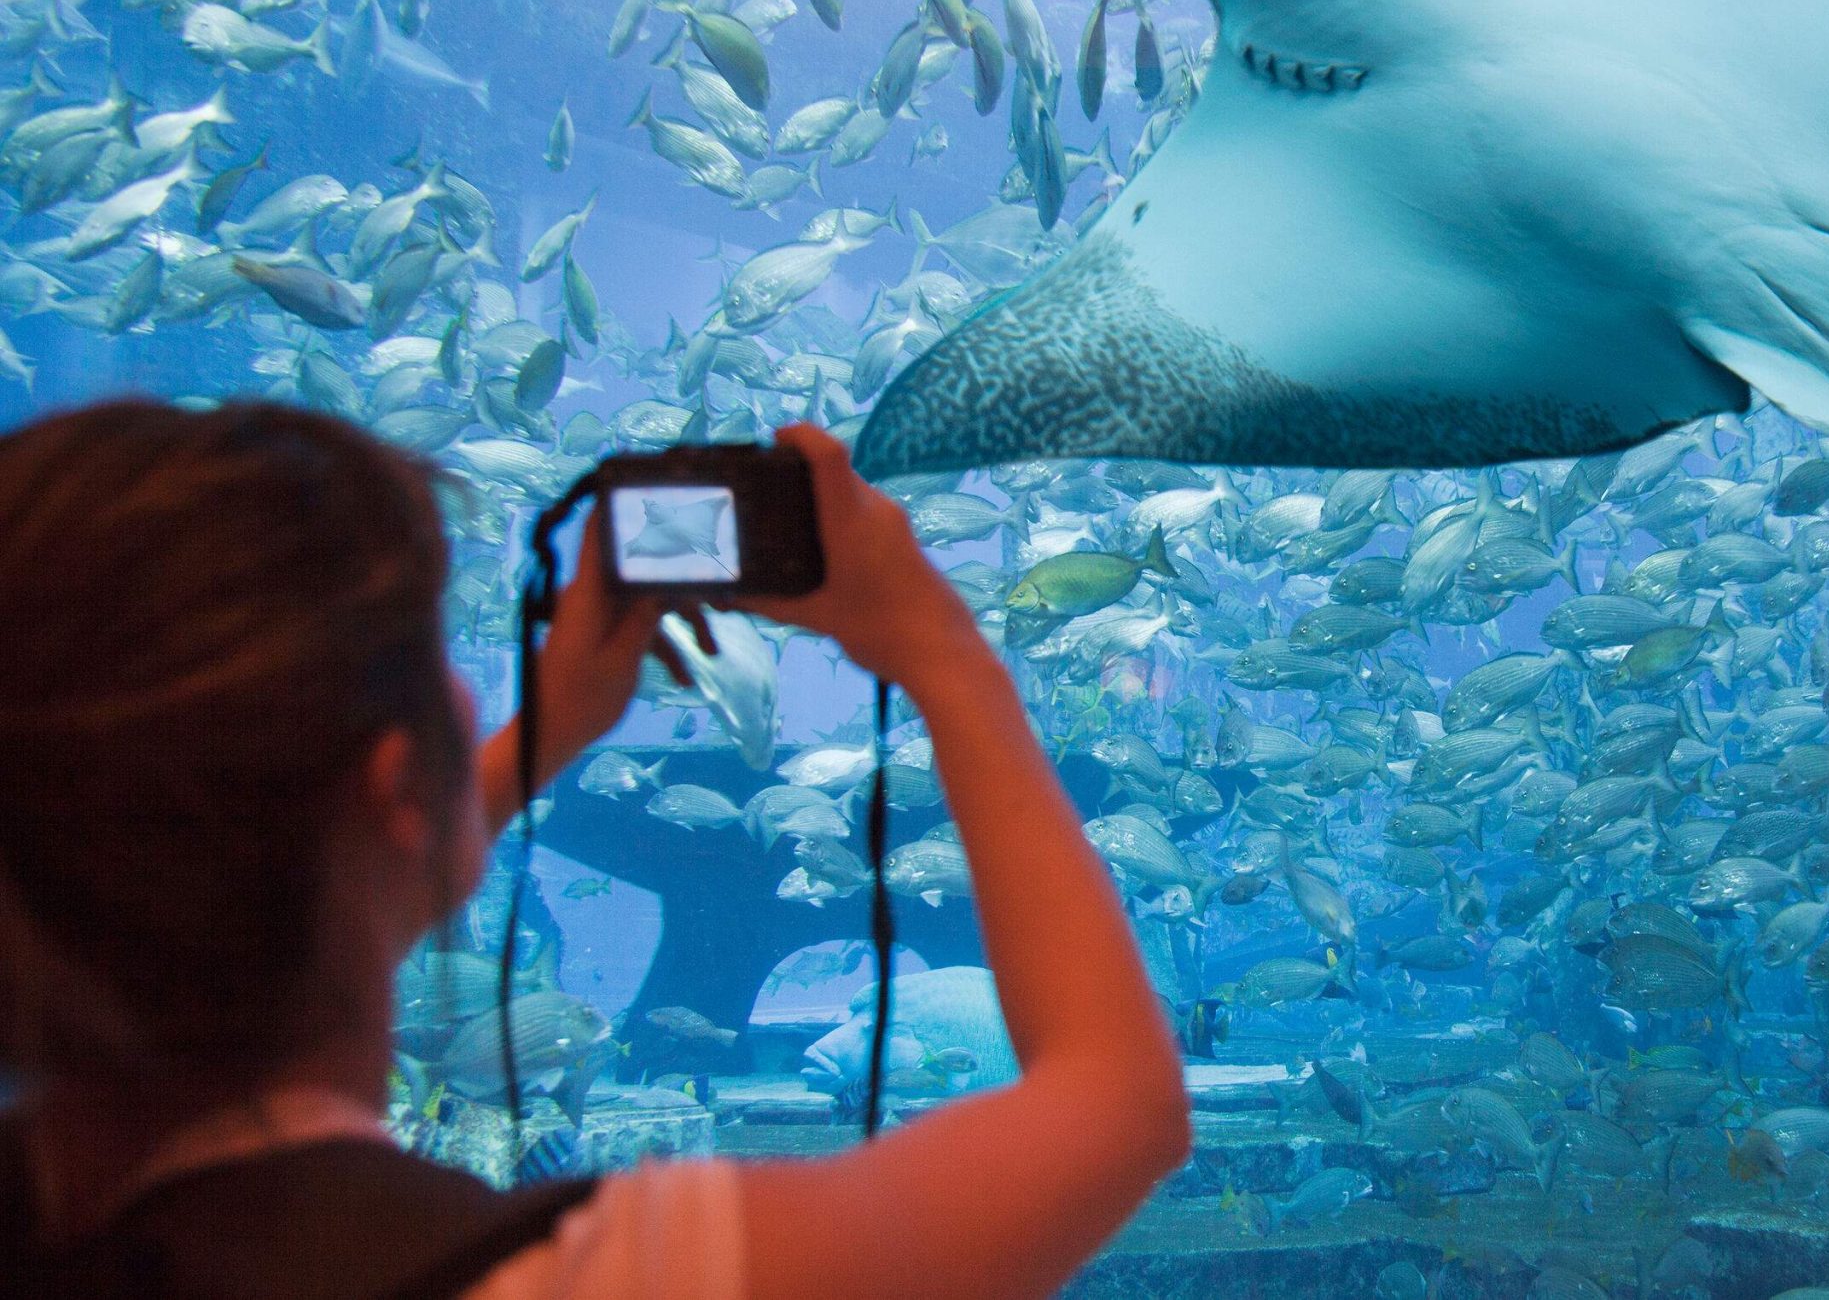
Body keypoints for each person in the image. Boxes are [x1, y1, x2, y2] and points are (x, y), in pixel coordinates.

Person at [0, 400, 1192, 1299]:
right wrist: (940, 649)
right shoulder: (568, 1277)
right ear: (399, 792)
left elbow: (228, 924)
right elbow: (1118, 1108)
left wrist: (538, 733)